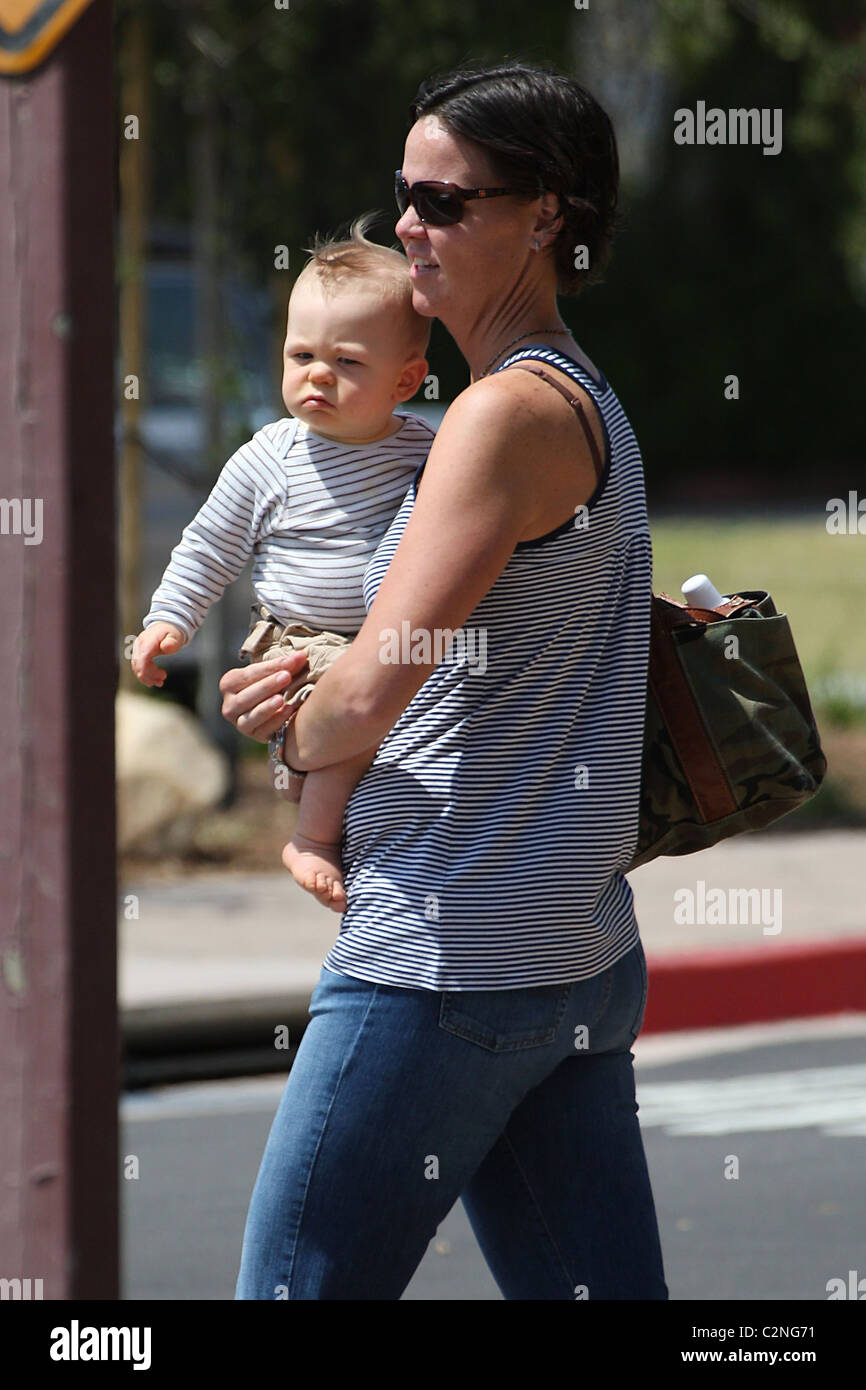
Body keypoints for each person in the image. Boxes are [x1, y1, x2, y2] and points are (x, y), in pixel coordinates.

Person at [220, 59, 668, 1301]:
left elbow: (377, 687)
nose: (406, 222)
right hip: (565, 947)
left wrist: (297, 727)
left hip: (443, 952)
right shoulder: (578, 396)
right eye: (404, 192)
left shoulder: (498, 416)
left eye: (444, 198)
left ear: (546, 214)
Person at [131, 218, 434, 910]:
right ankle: (313, 838)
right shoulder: (272, 455)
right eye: (302, 357)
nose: (318, 375)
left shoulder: (424, 450)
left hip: (385, 640)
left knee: (377, 723)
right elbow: (209, 544)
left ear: (407, 378)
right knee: (359, 717)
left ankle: (329, 817)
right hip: (297, 642)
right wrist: (168, 620)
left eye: (349, 362)